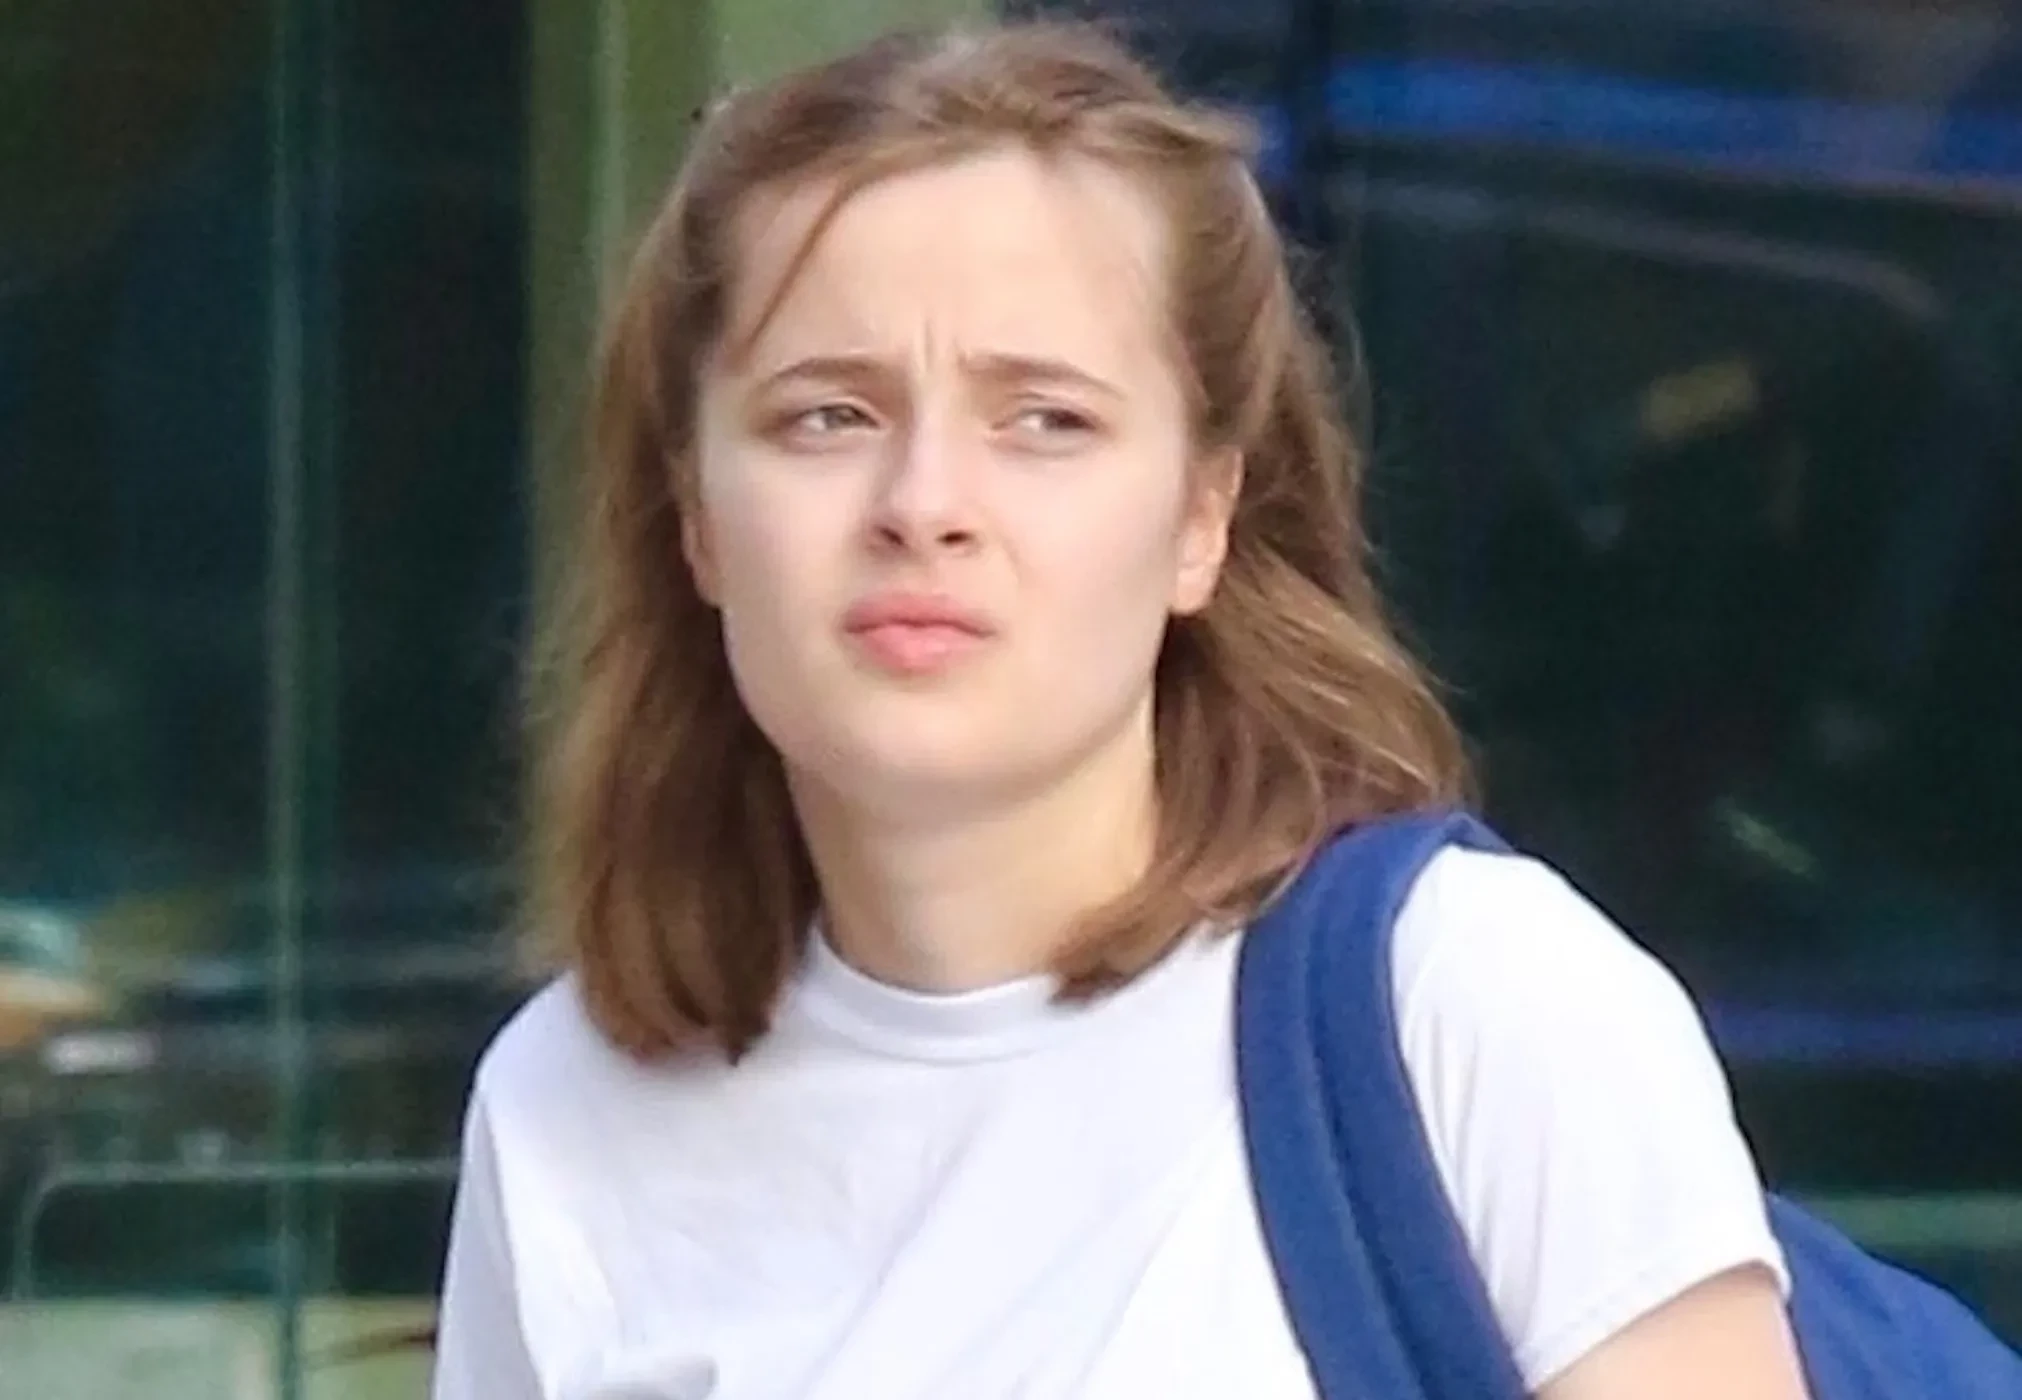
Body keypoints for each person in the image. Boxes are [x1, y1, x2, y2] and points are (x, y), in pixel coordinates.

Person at [431, 21, 1812, 1400]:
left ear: (1202, 519)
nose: (923, 504)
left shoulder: (1474, 1007)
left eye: (1045, 420)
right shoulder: (565, 1105)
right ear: (696, 518)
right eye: (827, 417)